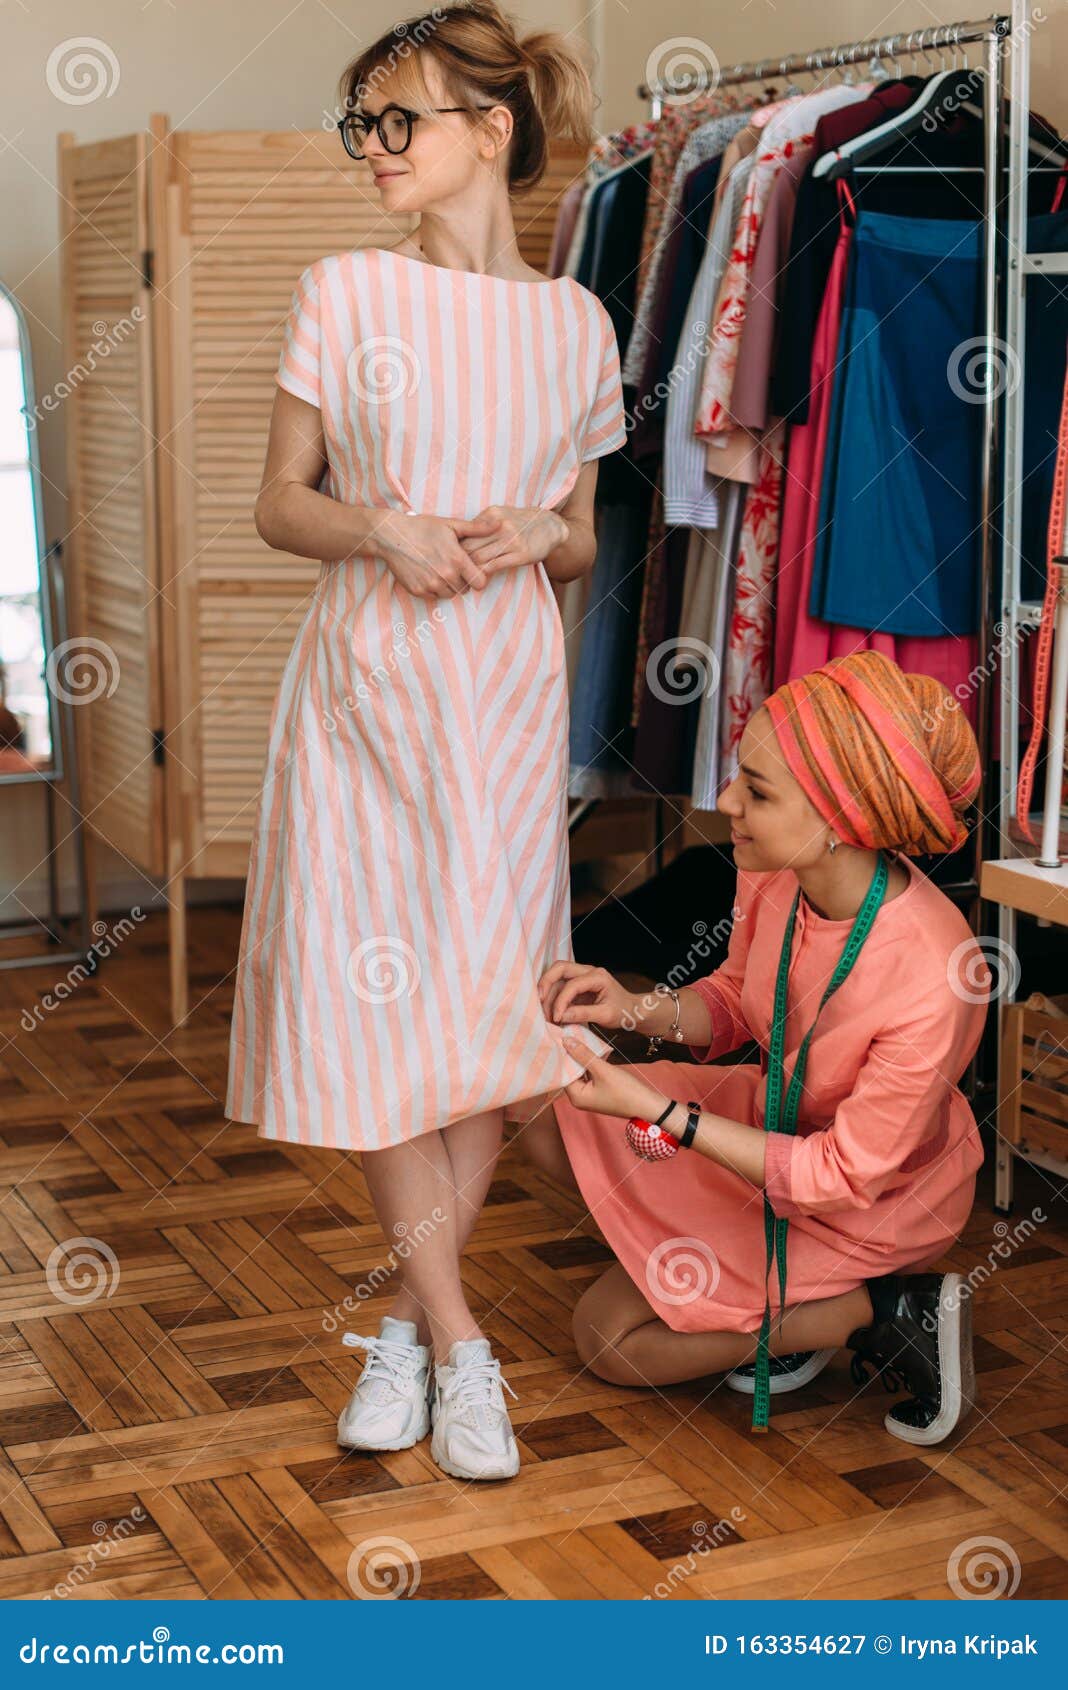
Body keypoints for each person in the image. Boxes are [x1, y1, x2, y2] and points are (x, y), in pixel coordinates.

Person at [225, 2, 626, 1481]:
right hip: (366, 694)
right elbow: (281, 503)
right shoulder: (342, 291)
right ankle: (466, 1347)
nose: (373, 149)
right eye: (363, 125)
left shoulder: (576, 323)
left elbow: (582, 540)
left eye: (398, 120)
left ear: (489, 128)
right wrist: (380, 524)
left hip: (505, 698)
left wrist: (537, 528)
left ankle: (407, 1329)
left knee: (478, 1018)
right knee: (386, 1012)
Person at [522, 651, 992, 1446]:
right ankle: (767, 1302)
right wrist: (630, 1004)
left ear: (843, 822)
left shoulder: (936, 976)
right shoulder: (779, 872)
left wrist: (659, 1112)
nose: (727, 801)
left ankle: (876, 1314)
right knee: (544, 1107)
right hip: (779, 1127)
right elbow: (738, 1005)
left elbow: (839, 1176)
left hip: (864, 1204)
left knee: (607, 1341)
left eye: (758, 791)